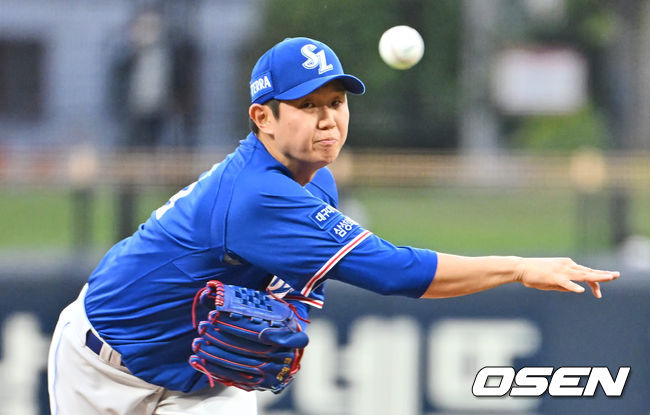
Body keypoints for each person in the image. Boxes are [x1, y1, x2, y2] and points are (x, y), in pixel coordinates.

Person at [47, 37, 619, 415]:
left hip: (198, 380)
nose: (328, 119)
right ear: (263, 118)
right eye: (307, 104)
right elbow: (397, 272)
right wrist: (519, 266)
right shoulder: (257, 195)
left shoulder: (315, 179)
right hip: (101, 370)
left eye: (337, 102)